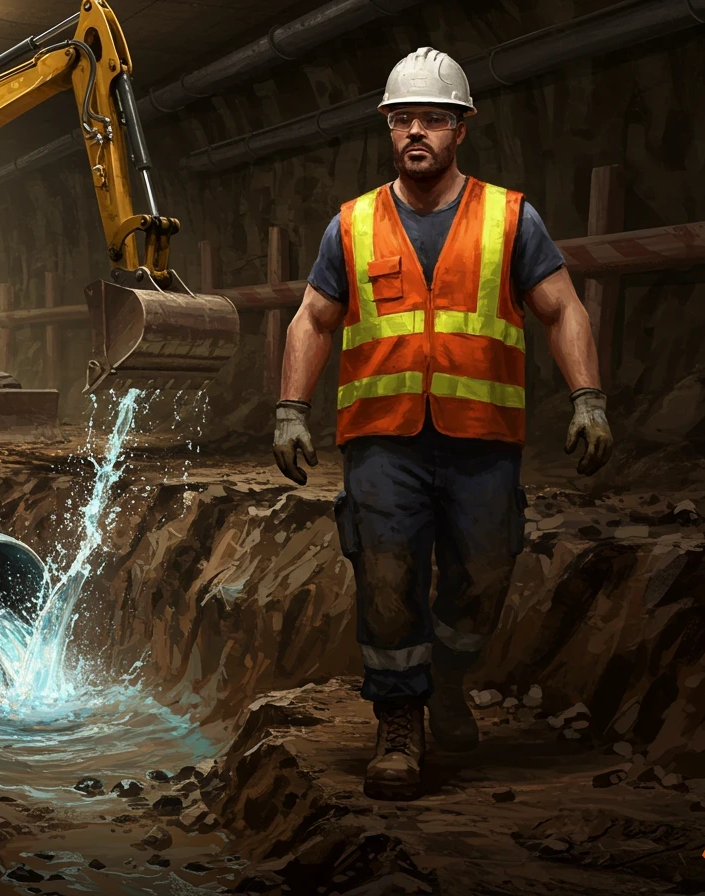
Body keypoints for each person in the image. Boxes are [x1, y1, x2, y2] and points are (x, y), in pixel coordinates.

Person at [272, 47, 613, 801]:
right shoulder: (353, 225)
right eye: (401, 120)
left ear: (462, 128)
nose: (414, 133)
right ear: (388, 129)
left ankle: (446, 679)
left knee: (484, 582)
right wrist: (291, 410)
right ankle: (400, 725)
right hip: (383, 441)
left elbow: (562, 309)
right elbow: (312, 319)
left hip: (481, 440)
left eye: (431, 119)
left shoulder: (509, 219)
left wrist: (588, 396)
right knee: (386, 579)